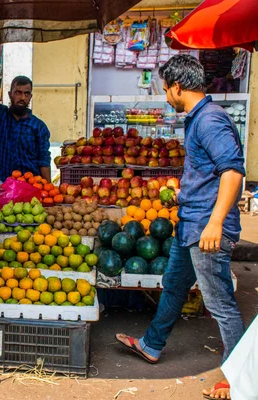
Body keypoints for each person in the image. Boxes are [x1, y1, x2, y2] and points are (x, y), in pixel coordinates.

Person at [115, 55, 246, 400]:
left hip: (206, 231)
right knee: (174, 286)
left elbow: (233, 173)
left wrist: (216, 222)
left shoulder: (210, 121)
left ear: (176, 86)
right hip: (191, 225)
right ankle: (152, 345)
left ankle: (237, 376)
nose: (166, 97)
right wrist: (183, 196)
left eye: (165, 90)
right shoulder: (198, 118)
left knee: (220, 304)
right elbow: (209, 175)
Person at [0, 45, 51, 182]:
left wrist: (49, 190)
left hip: (30, 185)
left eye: (26, 94)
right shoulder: (0, 115)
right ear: (10, 94)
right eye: (18, 93)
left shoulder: (38, 127)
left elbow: (43, 160)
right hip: (3, 183)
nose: (22, 98)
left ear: (30, 96)